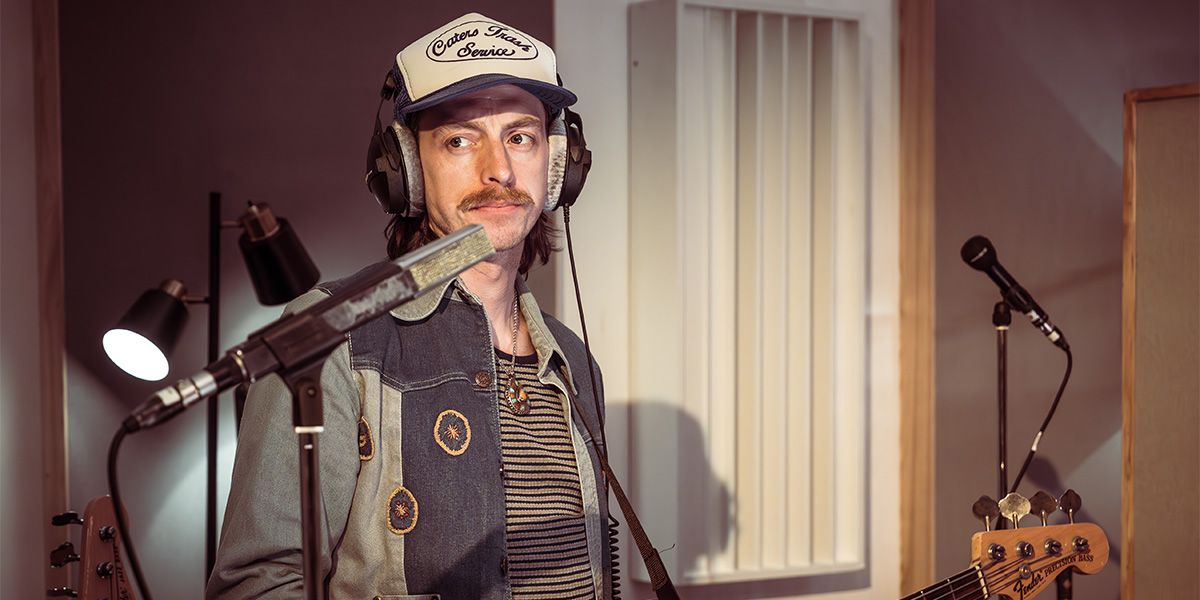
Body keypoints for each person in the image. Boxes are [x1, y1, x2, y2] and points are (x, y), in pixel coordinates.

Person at [206, 12, 613, 599]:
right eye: (459, 139)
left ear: (557, 165)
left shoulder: (573, 364)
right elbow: (257, 586)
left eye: (520, 136)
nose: (498, 169)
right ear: (406, 171)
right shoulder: (328, 336)